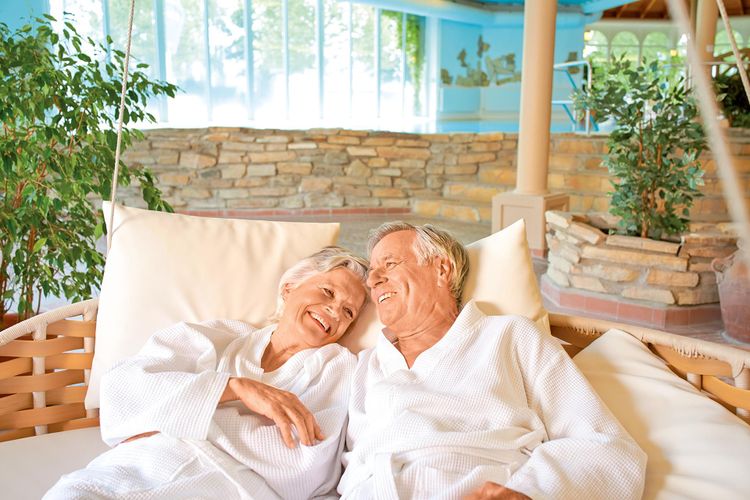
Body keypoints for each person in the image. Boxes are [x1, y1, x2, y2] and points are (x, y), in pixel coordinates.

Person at [337, 223, 647, 499]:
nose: (373, 280)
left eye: (389, 264)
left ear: (441, 270)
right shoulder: (365, 365)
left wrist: (528, 492)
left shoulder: (509, 336)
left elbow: (606, 445)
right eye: (372, 273)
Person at [46, 246, 368, 500]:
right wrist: (235, 388)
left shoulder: (336, 366)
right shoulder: (220, 335)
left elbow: (308, 465)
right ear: (288, 288)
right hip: (139, 463)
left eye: (348, 311)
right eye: (328, 292)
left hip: (228, 485)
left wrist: (180, 418)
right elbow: (124, 388)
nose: (334, 311)